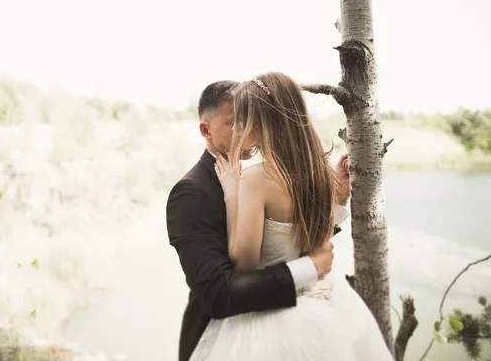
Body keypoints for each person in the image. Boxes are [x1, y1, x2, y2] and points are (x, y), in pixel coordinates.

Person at [187, 73, 394, 360]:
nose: (241, 129)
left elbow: (245, 263)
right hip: (322, 306)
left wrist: (233, 197)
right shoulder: (321, 172)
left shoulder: (254, 180)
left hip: (268, 325)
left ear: (261, 122)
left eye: (244, 119)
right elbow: (312, 242)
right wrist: (339, 198)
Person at [166, 80, 350, 361]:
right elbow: (218, 293)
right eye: (234, 122)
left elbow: (287, 236)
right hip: (224, 341)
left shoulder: (259, 177)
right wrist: (308, 269)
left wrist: (337, 202)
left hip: (289, 329)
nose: (247, 129)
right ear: (206, 130)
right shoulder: (192, 192)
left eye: (249, 119)